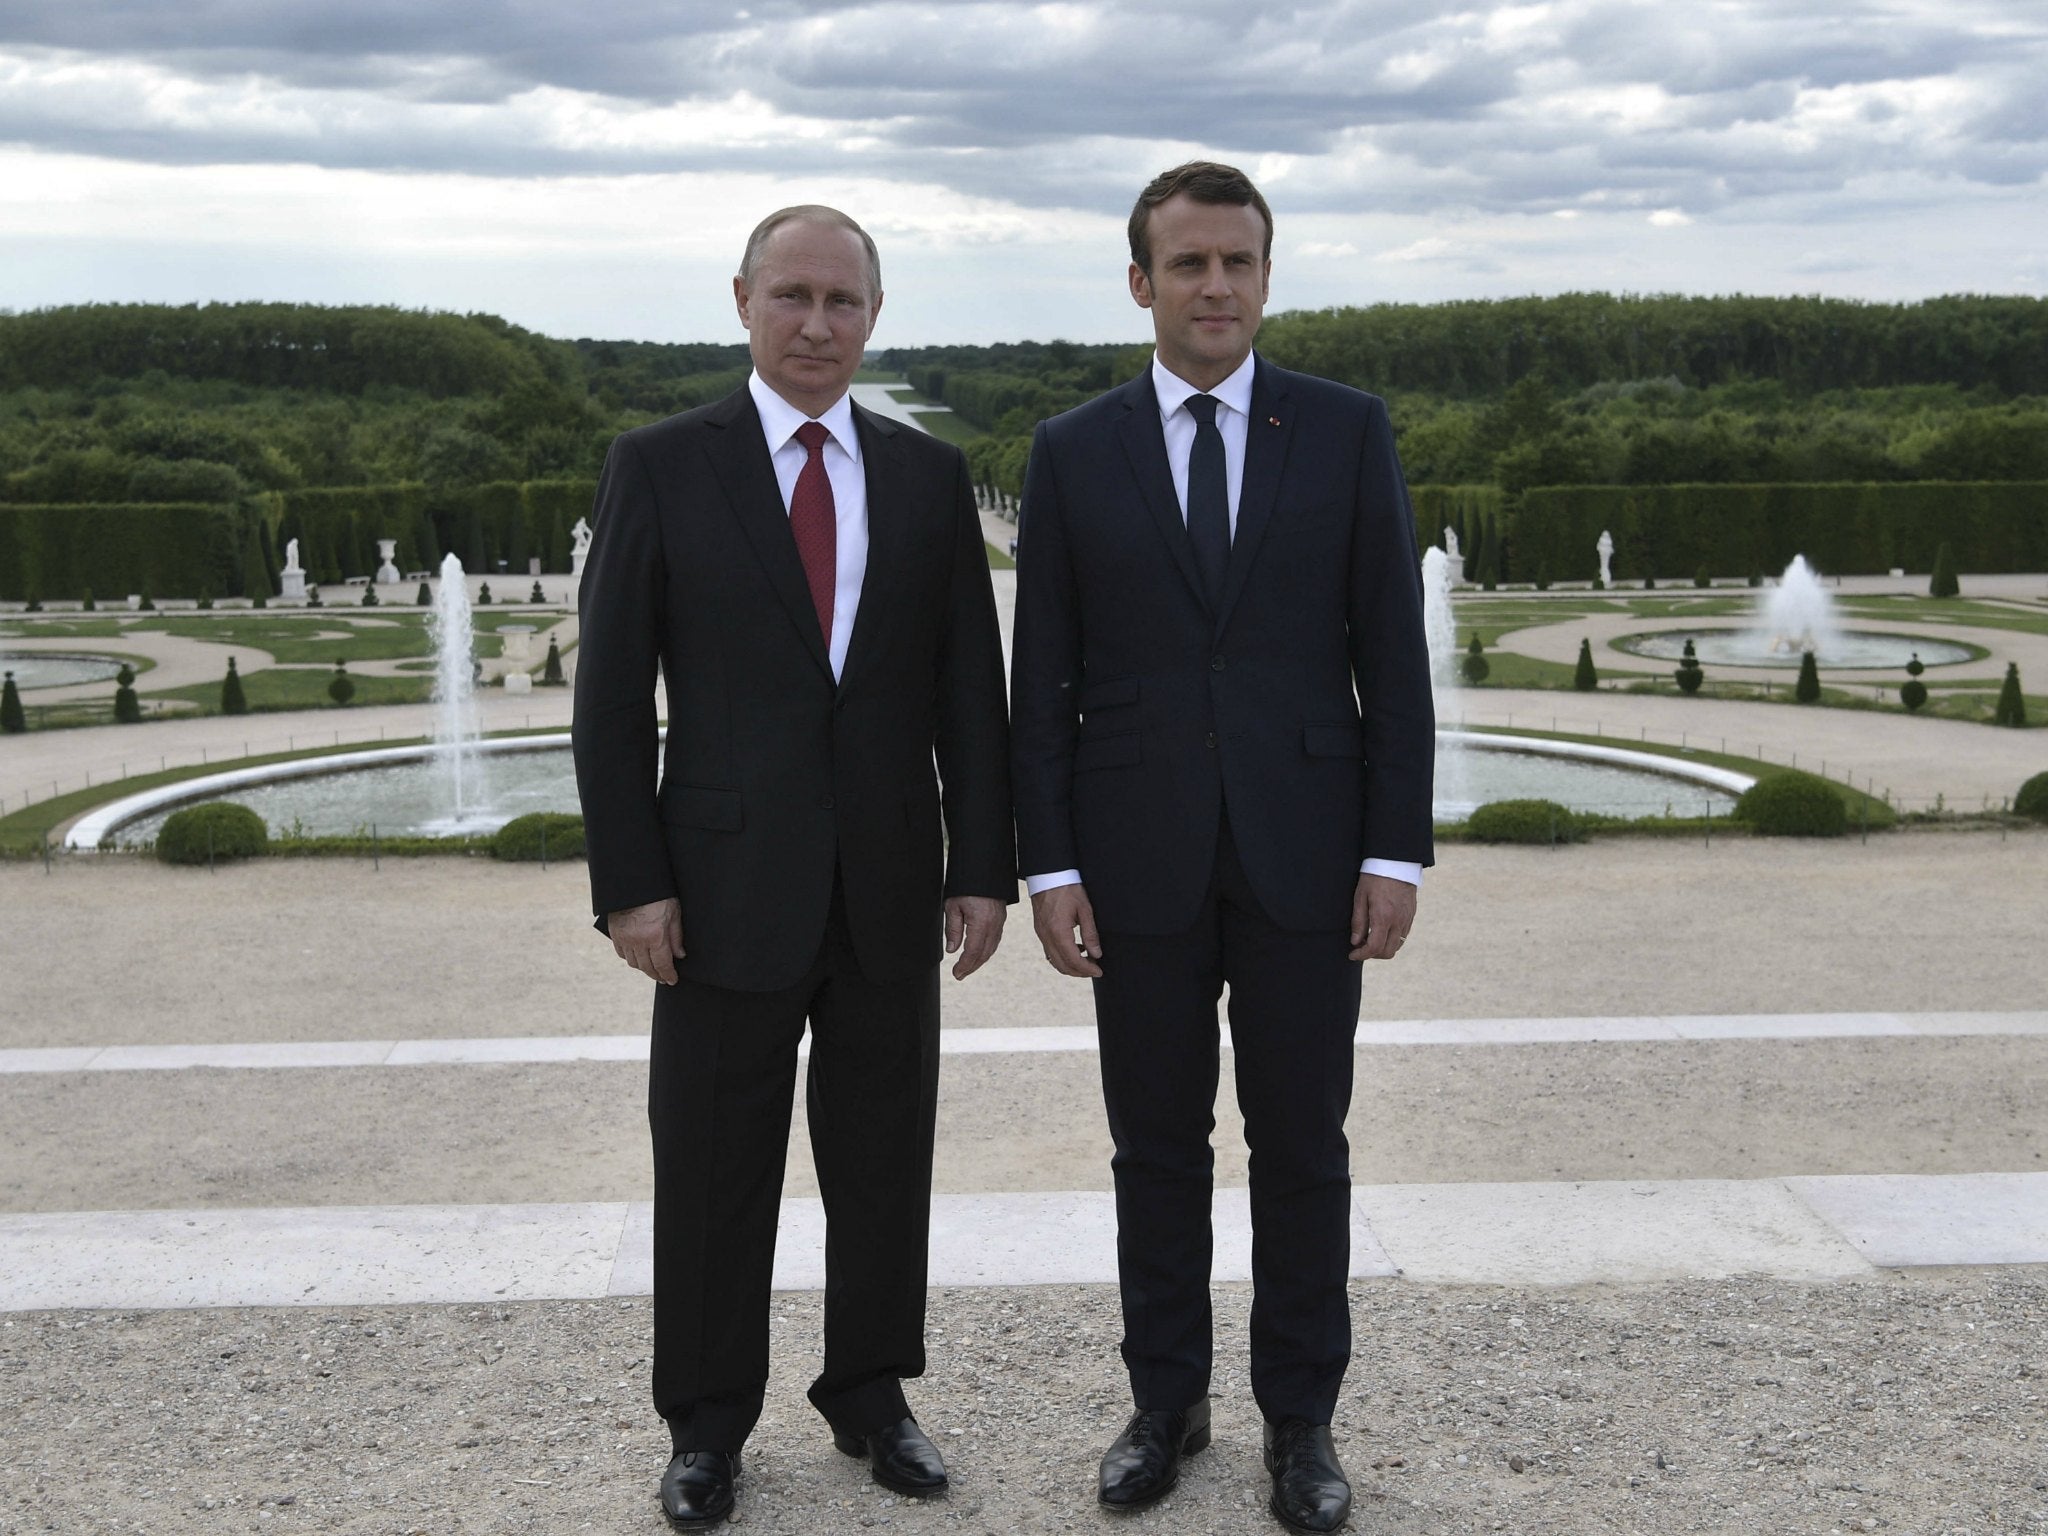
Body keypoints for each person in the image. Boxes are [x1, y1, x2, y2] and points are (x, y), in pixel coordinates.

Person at [571, 205, 1014, 1529]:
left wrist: (981, 865)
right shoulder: (658, 464)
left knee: (885, 1159)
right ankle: (706, 1426)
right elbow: (608, 701)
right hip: (713, 895)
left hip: (886, 887)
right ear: (743, 301)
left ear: (874, 314)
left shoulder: (925, 478)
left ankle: (872, 1395)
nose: (817, 324)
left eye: (843, 301)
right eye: (792, 297)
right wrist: (630, 883)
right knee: (712, 1164)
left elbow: (966, 698)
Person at [1008, 162, 1434, 1535]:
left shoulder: (1348, 430)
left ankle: (1301, 1425)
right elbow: (1045, 681)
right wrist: (1050, 864)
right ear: (1141, 281)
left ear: (1266, 276)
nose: (1215, 287)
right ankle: (1167, 1404)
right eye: (1187, 264)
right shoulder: (1073, 452)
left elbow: (1394, 659)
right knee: (1155, 1147)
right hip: (1134, 861)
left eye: (1237, 262)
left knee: (1303, 1143)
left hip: (1310, 850)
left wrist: (1398, 850)